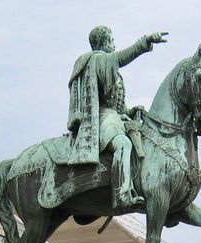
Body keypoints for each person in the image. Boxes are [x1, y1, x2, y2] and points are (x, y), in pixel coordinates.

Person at [67, 26, 168, 213]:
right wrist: (145, 42)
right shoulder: (97, 59)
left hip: (115, 117)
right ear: (103, 42)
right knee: (123, 144)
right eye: (112, 40)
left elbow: (118, 106)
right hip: (101, 118)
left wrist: (131, 111)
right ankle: (122, 195)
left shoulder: (106, 66)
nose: (114, 44)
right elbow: (122, 57)